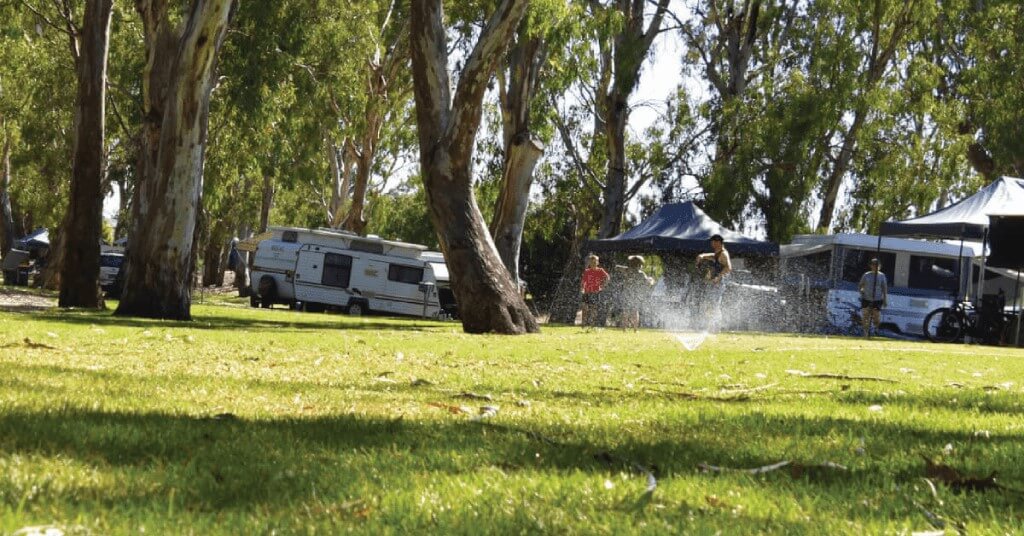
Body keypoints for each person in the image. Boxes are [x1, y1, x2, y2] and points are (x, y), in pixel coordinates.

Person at [696, 234, 732, 330]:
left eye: (714, 242)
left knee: (714, 304)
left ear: (719, 243)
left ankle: (716, 327)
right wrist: (703, 256)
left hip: (720, 283)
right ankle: (713, 326)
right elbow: (713, 256)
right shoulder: (717, 253)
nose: (712, 244)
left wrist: (718, 277)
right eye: (712, 242)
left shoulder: (724, 254)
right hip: (716, 283)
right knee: (711, 304)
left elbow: (729, 267)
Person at [618, 255, 653, 330]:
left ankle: (624, 328)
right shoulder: (641, 274)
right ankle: (635, 329)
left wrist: (625, 268)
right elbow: (648, 283)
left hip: (626, 294)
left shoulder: (627, 270)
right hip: (636, 295)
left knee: (625, 311)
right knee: (635, 311)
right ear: (640, 265)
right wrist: (650, 280)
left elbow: (617, 267)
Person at [858, 258, 888, 338]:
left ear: (880, 266)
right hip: (866, 298)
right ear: (871, 266)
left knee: (876, 316)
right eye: (874, 265)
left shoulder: (882, 276)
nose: (876, 267)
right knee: (865, 316)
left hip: (877, 299)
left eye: (877, 265)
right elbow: (860, 285)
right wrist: (861, 291)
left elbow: (884, 288)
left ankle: (876, 328)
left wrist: (885, 299)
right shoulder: (866, 275)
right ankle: (865, 332)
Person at [580, 254, 609, 326]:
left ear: (598, 263)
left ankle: (592, 324)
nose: (593, 263)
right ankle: (583, 323)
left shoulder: (600, 270)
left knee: (593, 309)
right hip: (587, 292)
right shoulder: (587, 271)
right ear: (589, 263)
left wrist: (603, 286)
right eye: (592, 262)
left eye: (595, 262)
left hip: (595, 292)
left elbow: (608, 277)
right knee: (585, 308)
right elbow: (583, 281)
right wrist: (582, 288)